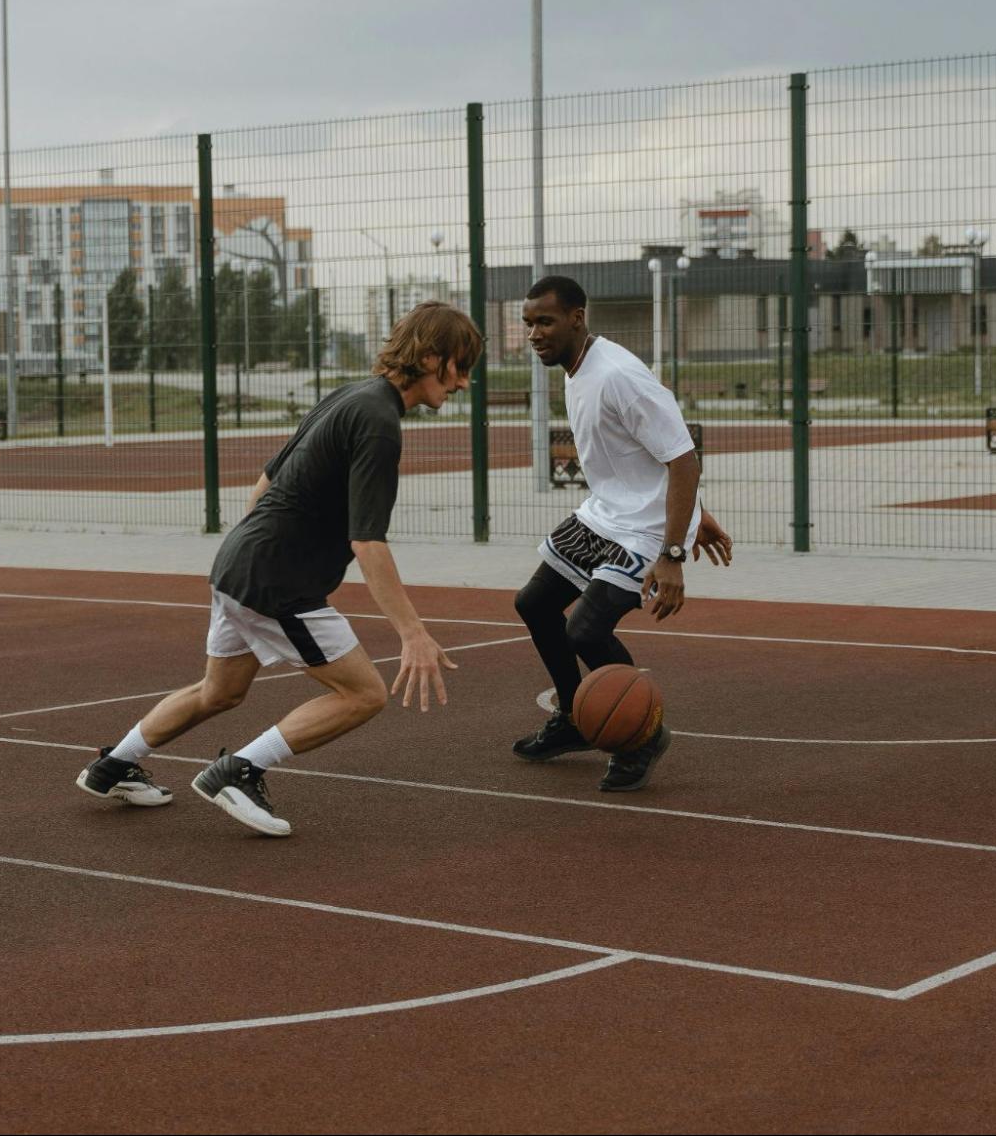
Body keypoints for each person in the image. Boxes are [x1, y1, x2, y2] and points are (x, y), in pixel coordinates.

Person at [77, 301, 482, 837]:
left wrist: (254, 554)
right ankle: (238, 772)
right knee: (363, 694)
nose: (463, 383)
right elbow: (367, 542)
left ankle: (112, 767)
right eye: (462, 366)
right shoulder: (380, 422)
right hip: (277, 583)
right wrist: (413, 634)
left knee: (218, 692)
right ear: (431, 358)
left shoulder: (349, 396)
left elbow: (266, 483)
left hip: (237, 564)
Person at [509, 274, 732, 791]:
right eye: (528, 324)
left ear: (577, 318)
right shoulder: (577, 365)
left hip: (646, 530)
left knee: (584, 631)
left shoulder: (616, 376)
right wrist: (700, 514)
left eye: (545, 321)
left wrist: (674, 550)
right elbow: (654, 458)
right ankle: (574, 717)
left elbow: (682, 458)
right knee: (535, 603)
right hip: (606, 513)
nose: (534, 333)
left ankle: (641, 737)